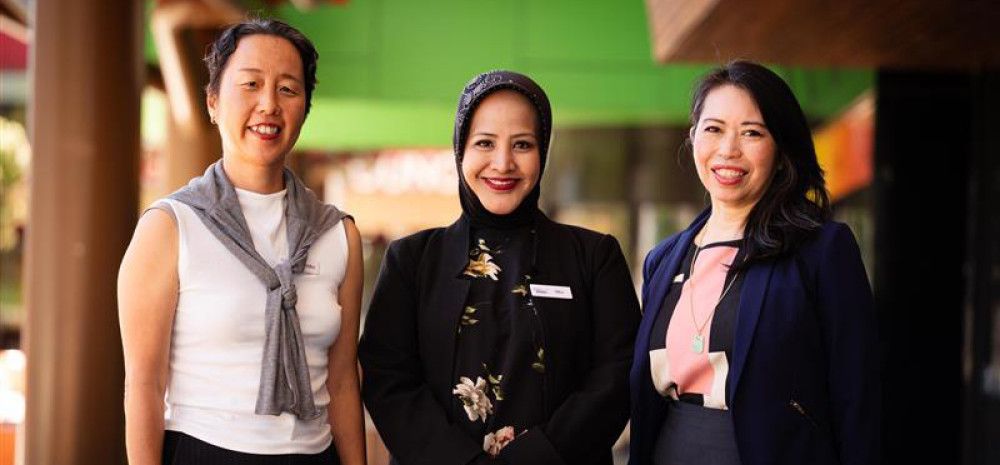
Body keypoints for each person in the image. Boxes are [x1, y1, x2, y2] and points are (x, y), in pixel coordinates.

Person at [359, 70, 640, 465]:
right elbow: (389, 381)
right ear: (461, 150)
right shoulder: (411, 260)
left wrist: (534, 457)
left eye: (522, 144)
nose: (503, 163)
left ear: (543, 151)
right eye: (485, 143)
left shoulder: (594, 257)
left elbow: (616, 376)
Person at [118, 18, 366, 465]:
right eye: (250, 84)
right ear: (213, 102)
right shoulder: (171, 225)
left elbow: (343, 381)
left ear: (305, 109)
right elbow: (144, 385)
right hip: (203, 451)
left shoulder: (337, 233)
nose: (268, 104)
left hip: (314, 455)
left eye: (288, 89)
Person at [629, 61, 880, 465]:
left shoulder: (820, 250)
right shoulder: (663, 261)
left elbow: (857, 395)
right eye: (714, 129)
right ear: (693, 138)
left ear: (781, 151)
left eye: (752, 133)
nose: (729, 150)